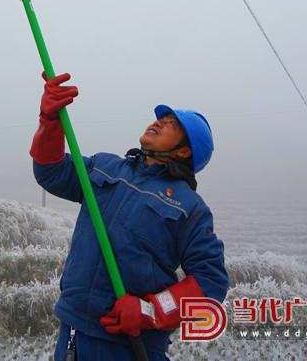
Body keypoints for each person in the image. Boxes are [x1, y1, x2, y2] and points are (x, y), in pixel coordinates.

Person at [31, 73, 229, 361]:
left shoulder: (190, 207)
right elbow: (50, 171)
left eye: (171, 124)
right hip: (72, 331)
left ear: (185, 151)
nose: (157, 121)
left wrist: (149, 311)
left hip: (129, 346)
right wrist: (49, 121)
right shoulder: (105, 167)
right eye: (161, 118)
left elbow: (211, 283)